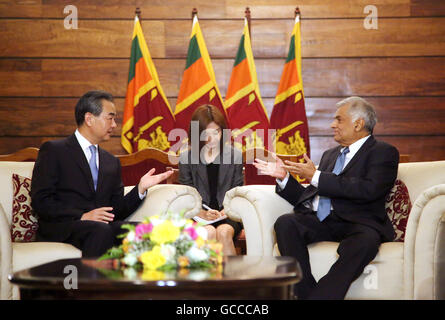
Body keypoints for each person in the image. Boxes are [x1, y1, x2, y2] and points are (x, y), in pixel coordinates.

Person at [254, 96, 399, 299]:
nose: (333, 125)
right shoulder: (330, 154)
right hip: (324, 220)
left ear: (358, 123)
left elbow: (369, 190)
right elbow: (310, 195)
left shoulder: (383, 152)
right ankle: (305, 294)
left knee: (366, 242)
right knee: (286, 223)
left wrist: (315, 176)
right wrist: (284, 178)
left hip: (359, 223)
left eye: (339, 120)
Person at [31, 90, 173, 258]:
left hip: (99, 228)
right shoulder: (54, 150)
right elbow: (41, 201)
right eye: (110, 118)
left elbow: (115, 210)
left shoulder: (111, 161)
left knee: (145, 230)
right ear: (89, 119)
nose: (114, 125)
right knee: (100, 230)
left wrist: (140, 189)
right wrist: (82, 216)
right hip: (63, 226)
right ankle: (92, 284)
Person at [178, 104, 244, 256]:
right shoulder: (186, 157)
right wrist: (200, 212)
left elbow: (237, 191)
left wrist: (225, 211)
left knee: (223, 232)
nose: (212, 138)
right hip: (198, 214)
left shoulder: (235, 156)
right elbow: (188, 195)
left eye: (216, 132)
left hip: (227, 213)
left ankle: (233, 278)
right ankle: (207, 279)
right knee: (207, 232)